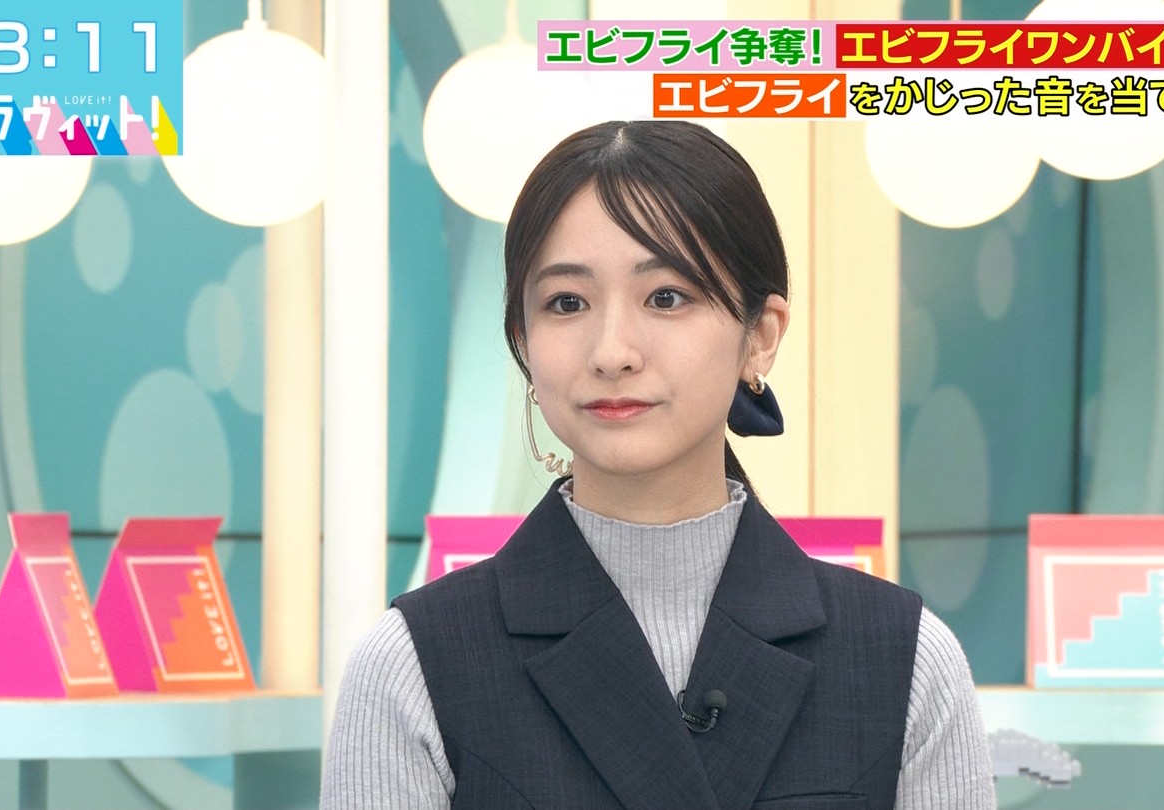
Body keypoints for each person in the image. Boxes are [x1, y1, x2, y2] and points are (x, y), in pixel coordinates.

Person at [322, 120, 996, 809]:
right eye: (567, 303)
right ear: (523, 339)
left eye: (666, 297)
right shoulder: (412, 667)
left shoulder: (906, 660)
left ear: (759, 337)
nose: (612, 352)